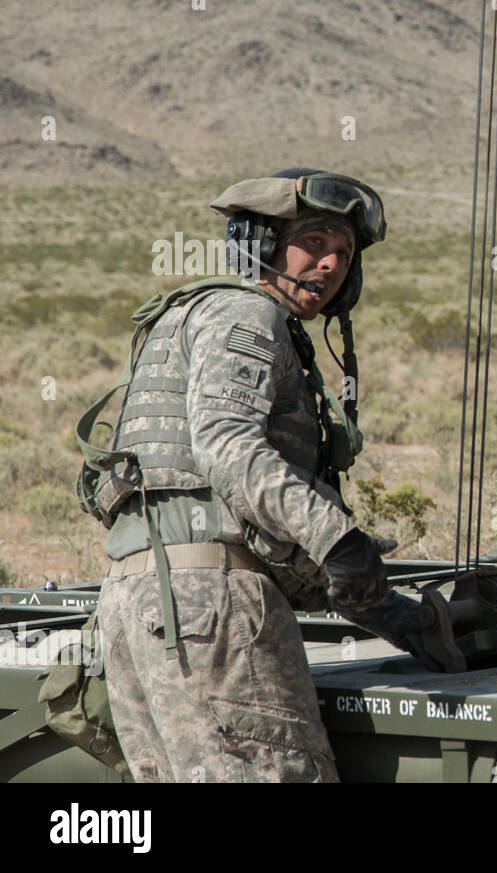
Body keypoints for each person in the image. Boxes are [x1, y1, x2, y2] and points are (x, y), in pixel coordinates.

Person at [86, 168, 430, 782]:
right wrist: (339, 537)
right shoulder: (250, 316)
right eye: (315, 243)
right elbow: (228, 447)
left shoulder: (193, 313)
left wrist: (400, 616)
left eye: (344, 255)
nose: (330, 266)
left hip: (136, 606)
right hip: (210, 610)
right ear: (260, 243)